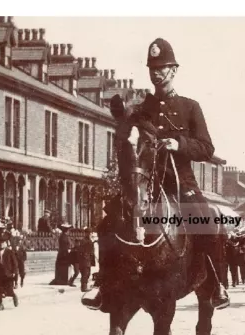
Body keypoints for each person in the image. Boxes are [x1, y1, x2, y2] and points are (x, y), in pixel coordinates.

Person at [84, 37, 229, 311]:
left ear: (174, 70)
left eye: (162, 67)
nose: (157, 72)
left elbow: (207, 148)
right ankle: (102, 282)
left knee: (207, 222)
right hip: (147, 184)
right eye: (153, 67)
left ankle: (215, 283)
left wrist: (179, 144)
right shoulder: (142, 109)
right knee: (107, 223)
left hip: (180, 184)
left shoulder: (190, 107)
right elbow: (129, 137)